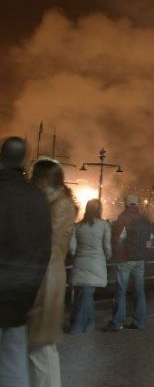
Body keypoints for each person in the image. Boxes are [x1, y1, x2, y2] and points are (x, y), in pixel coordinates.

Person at [0, 137, 51, 387]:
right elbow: (44, 249)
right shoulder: (37, 198)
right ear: (24, 161)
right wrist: (31, 291)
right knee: (14, 363)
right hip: (20, 293)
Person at [27, 159, 78, 387]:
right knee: (38, 346)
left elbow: (44, 241)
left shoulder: (60, 205)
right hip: (44, 275)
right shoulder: (54, 202)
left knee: (41, 346)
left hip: (46, 278)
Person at [106, 195, 152, 331]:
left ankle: (118, 322)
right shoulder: (144, 219)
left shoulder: (123, 219)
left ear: (126, 205)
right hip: (140, 259)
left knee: (121, 290)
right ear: (137, 204)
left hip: (125, 259)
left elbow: (116, 239)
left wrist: (116, 253)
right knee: (139, 291)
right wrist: (144, 252)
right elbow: (150, 239)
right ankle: (140, 321)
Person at [69, 199, 112, 334]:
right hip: (96, 263)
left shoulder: (77, 226)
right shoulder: (104, 225)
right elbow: (107, 247)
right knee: (87, 294)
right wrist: (108, 257)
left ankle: (85, 323)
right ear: (99, 210)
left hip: (80, 262)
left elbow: (72, 249)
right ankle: (81, 324)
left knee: (83, 293)